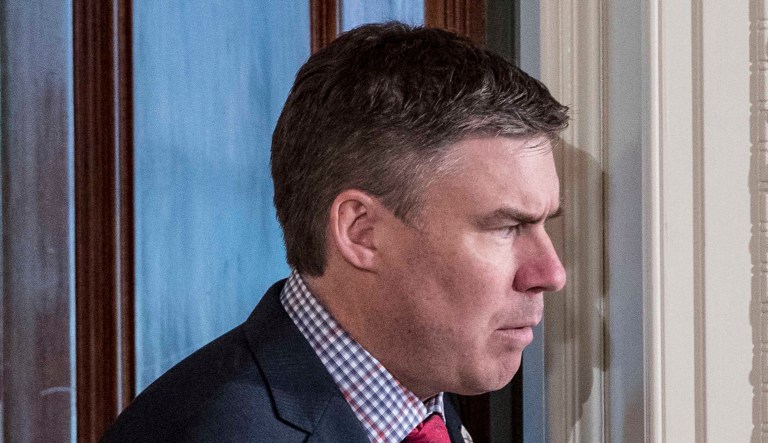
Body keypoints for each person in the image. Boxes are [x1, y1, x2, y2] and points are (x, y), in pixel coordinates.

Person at [102, 22, 568, 442]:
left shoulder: (419, 394)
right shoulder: (213, 431)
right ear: (362, 232)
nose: (550, 272)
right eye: (507, 227)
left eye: (544, 222)